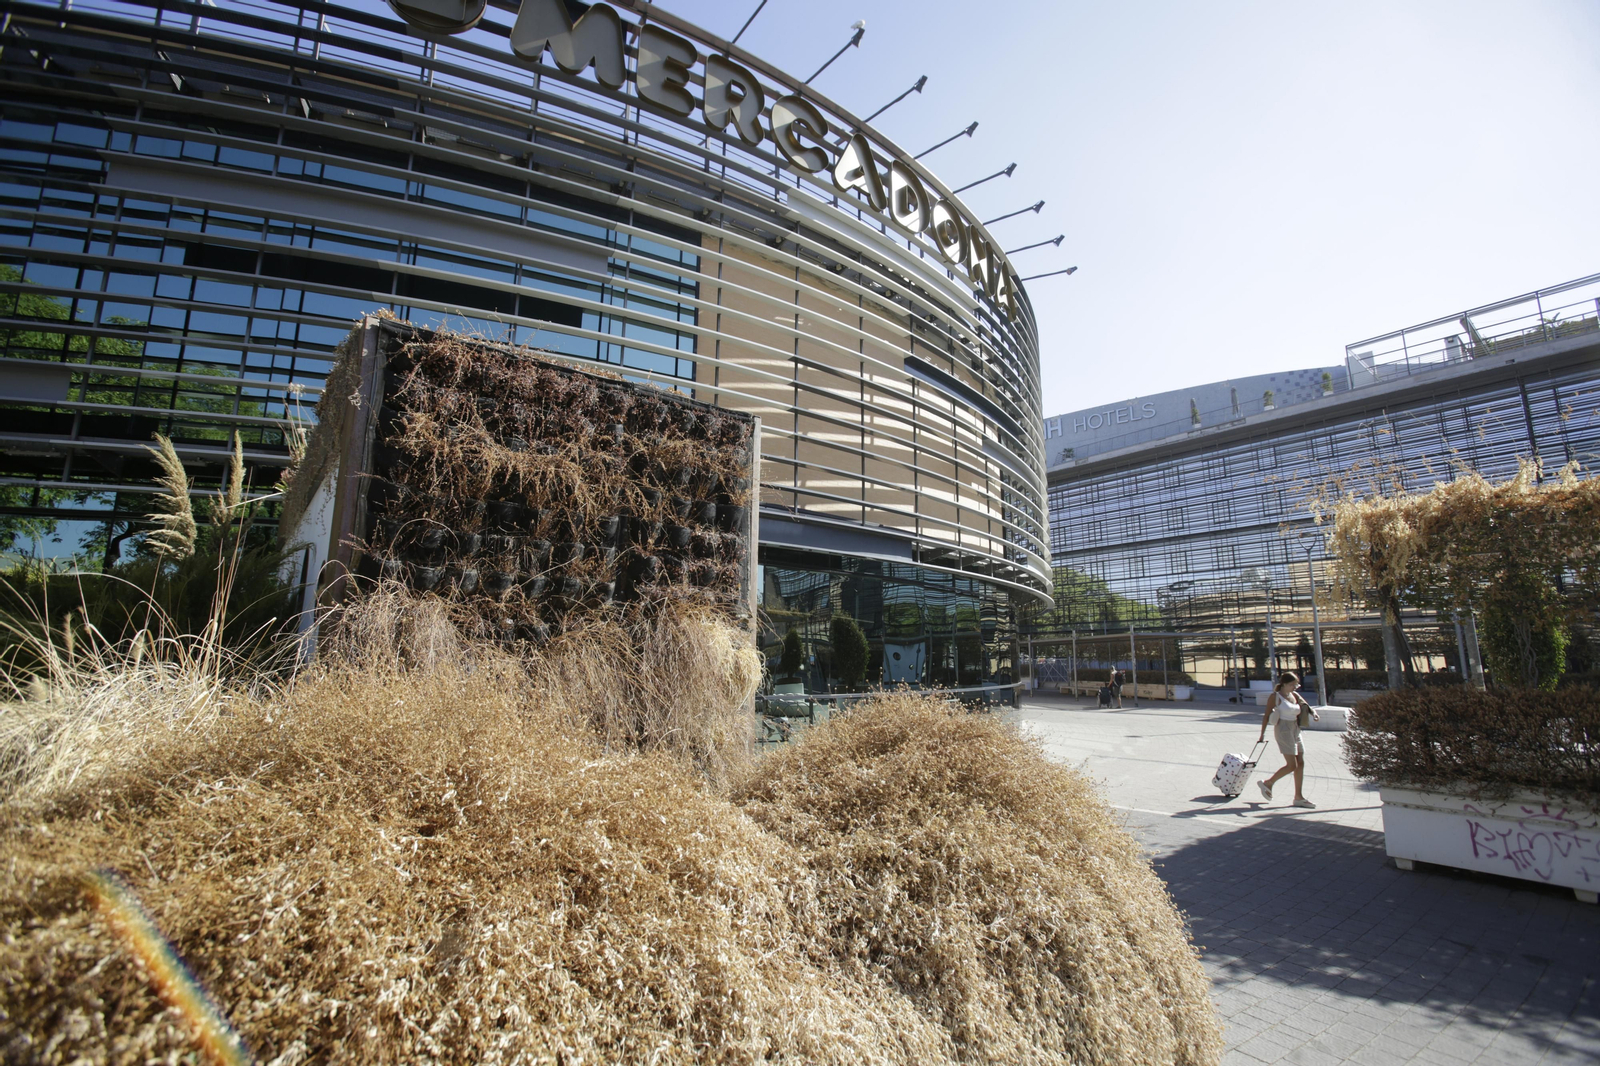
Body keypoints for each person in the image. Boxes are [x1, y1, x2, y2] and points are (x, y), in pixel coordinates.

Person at [1256, 670, 1319, 807]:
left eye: (1296, 685)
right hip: (1283, 730)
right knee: (1292, 765)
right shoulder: (1275, 697)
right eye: (1292, 685)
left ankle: (1298, 797)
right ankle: (1268, 783)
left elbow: (1306, 706)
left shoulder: (1294, 695)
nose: (1295, 687)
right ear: (1284, 684)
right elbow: (1266, 716)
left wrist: (1314, 713)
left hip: (1296, 729)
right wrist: (1262, 734)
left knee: (1300, 762)